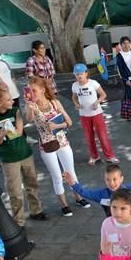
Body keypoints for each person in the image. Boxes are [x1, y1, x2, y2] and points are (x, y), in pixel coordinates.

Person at [25, 76, 90, 217]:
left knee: (70, 172)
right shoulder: (33, 106)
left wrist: (57, 125)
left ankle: (78, 198)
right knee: (56, 176)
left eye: (34, 90)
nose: (32, 93)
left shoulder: (55, 103)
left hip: (62, 141)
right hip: (47, 145)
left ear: (42, 90)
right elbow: (29, 119)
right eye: (30, 90)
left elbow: (69, 122)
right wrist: (29, 106)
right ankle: (64, 205)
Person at [0, 88, 45, 226]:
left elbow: (18, 131)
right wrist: (1, 134)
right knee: (15, 190)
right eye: (8, 100)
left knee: (32, 184)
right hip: (9, 159)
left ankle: (36, 211)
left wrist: (0, 130)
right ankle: (19, 221)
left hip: (25, 154)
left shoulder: (14, 111)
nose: (12, 101)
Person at [63, 165, 131, 217]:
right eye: (108, 180)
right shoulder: (102, 195)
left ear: (121, 179)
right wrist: (73, 183)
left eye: (114, 179)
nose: (111, 183)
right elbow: (84, 192)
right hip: (115, 230)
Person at [71, 63, 119, 165]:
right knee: (89, 137)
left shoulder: (93, 83)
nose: (79, 76)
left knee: (102, 135)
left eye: (81, 74)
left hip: (96, 114)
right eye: (76, 74)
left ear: (86, 73)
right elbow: (74, 97)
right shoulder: (74, 85)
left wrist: (97, 102)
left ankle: (110, 156)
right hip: (84, 115)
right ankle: (94, 156)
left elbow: (103, 94)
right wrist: (76, 104)